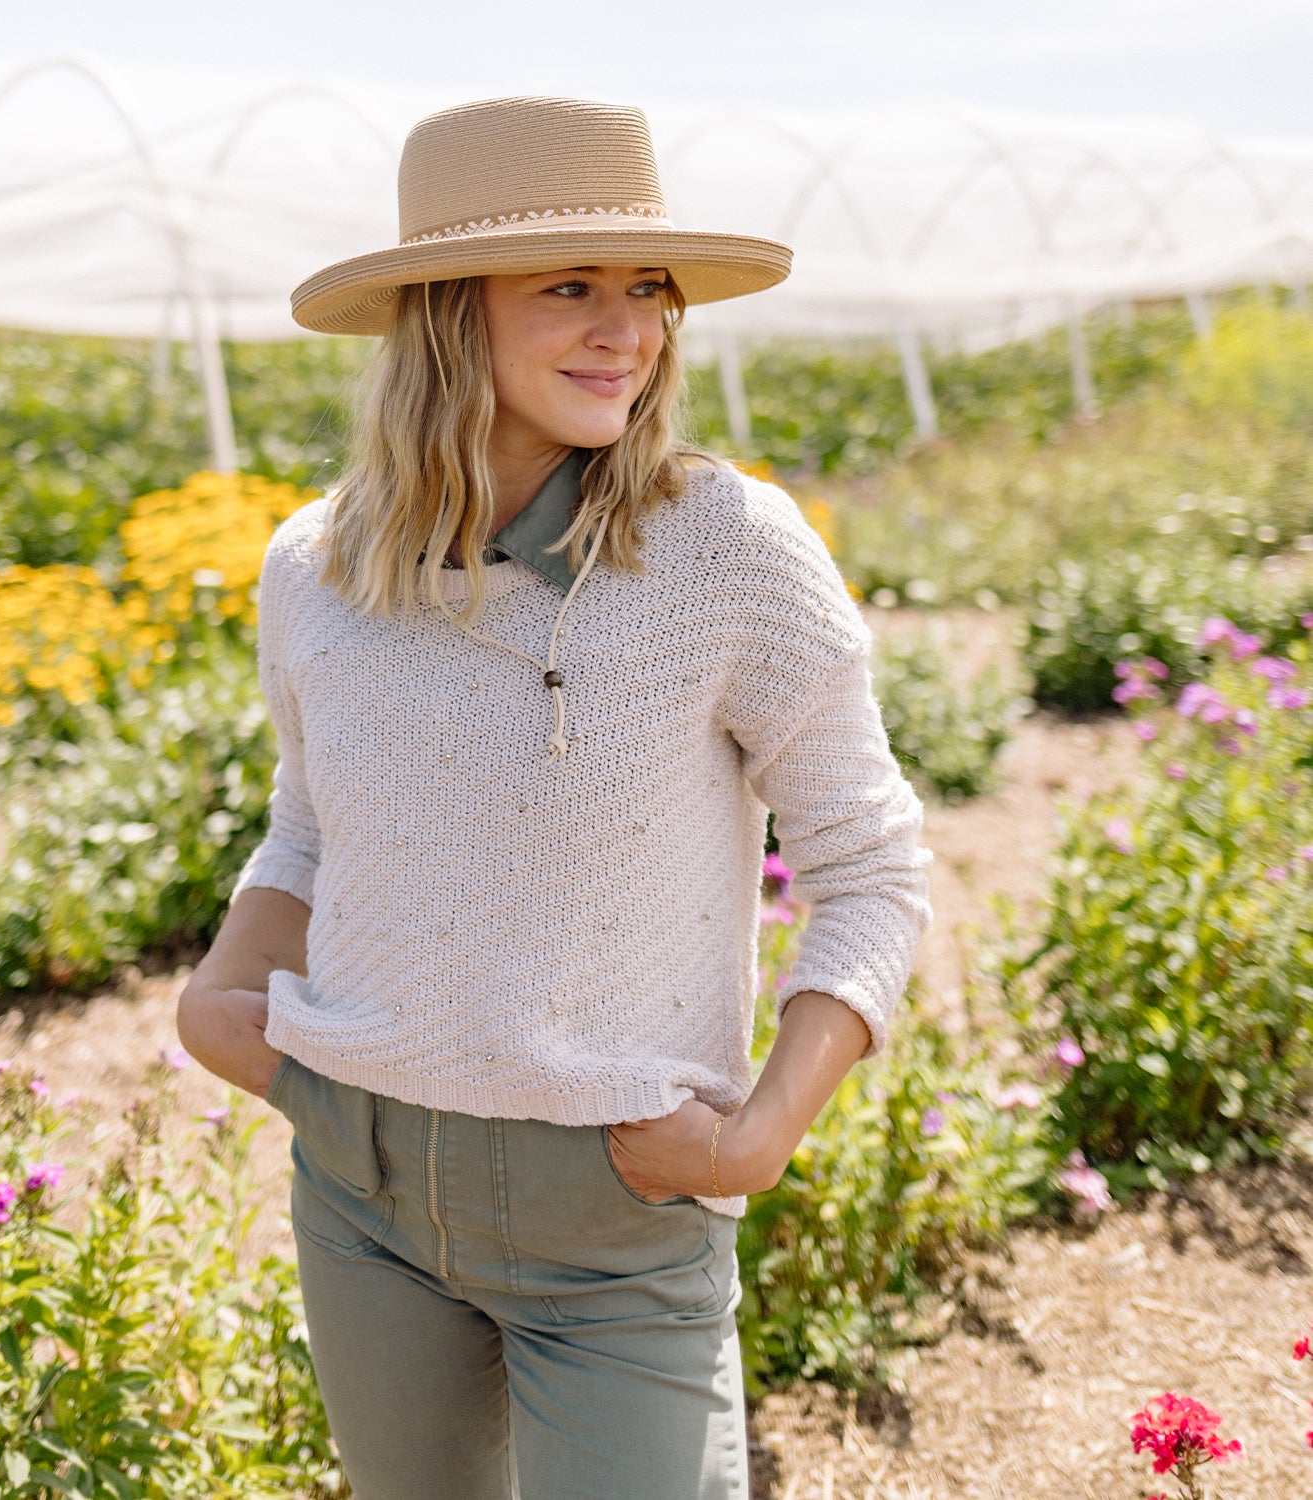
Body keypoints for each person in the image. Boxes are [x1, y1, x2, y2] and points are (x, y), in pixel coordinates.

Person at [176, 95, 931, 1500]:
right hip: (362, 1185)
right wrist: (225, 997)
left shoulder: (726, 551)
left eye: (646, 288)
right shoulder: (313, 566)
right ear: (447, 313)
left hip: (621, 1217)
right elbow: (312, 820)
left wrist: (759, 1137)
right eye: (570, 286)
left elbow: (872, 866)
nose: (628, 329)